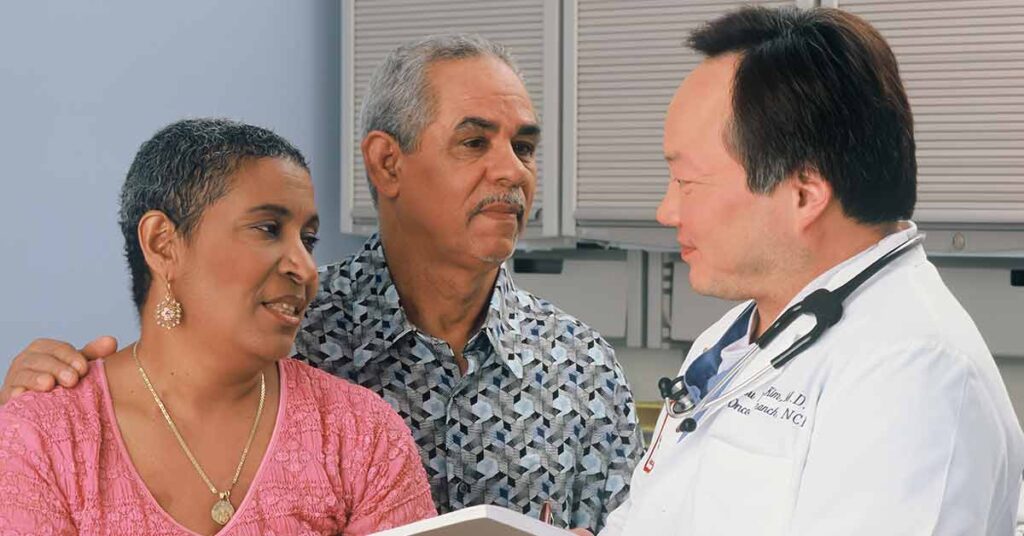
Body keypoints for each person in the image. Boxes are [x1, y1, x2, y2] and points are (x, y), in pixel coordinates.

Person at [0, 35, 641, 533]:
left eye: (525, 147)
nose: (512, 170)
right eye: (475, 141)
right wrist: (37, 413)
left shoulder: (583, 369)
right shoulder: (281, 329)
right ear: (387, 163)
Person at [589, 6, 1024, 536]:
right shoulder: (734, 336)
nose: (666, 211)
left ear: (804, 194)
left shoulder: (914, 377)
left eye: (687, 183)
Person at [0, 118, 436, 535]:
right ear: (162, 244)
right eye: (268, 229)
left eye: (308, 240)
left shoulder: (360, 434)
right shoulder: (44, 436)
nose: (305, 267)